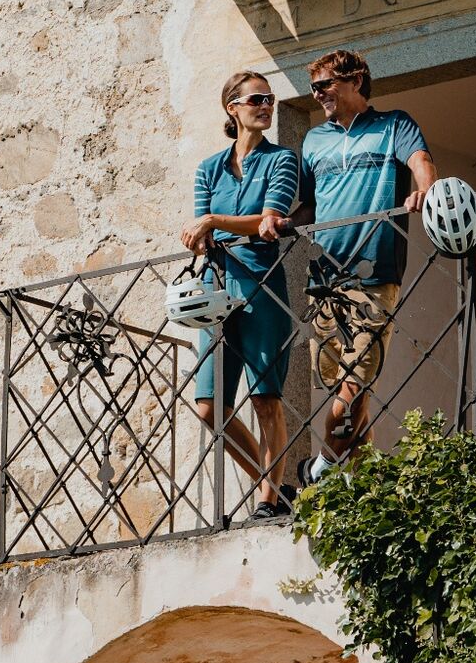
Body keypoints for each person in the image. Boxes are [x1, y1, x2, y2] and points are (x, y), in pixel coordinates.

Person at [299, 48, 438, 475]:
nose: (317, 94)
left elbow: (421, 161)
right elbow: (309, 205)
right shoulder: (313, 140)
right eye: (313, 88)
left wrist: (426, 190)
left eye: (325, 84)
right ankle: (364, 484)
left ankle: (321, 469)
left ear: (355, 80)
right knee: (344, 389)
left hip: (374, 273)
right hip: (323, 280)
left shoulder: (393, 125)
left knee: (354, 385)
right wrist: (279, 223)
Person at [182, 71, 301, 518]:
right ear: (232, 107)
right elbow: (201, 237)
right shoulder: (209, 169)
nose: (266, 105)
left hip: (261, 284)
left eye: (270, 99)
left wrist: (214, 222)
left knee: (265, 398)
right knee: (209, 407)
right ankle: (277, 487)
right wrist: (206, 230)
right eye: (256, 99)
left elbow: (268, 218)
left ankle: (268, 501)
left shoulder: (281, 160)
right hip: (214, 288)